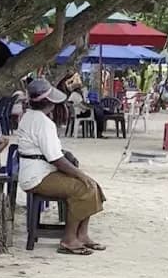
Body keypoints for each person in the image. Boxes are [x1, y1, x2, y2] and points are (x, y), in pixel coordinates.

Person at [16, 78, 106, 255]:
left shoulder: (29, 116)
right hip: (38, 177)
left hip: (35, 173)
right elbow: (56, 159)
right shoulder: (43, 123)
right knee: (84, 187)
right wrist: (80, 174)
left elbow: (47, 150)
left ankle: (82, 234)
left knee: (91, 184)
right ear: (49, 102)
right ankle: (69, 239)